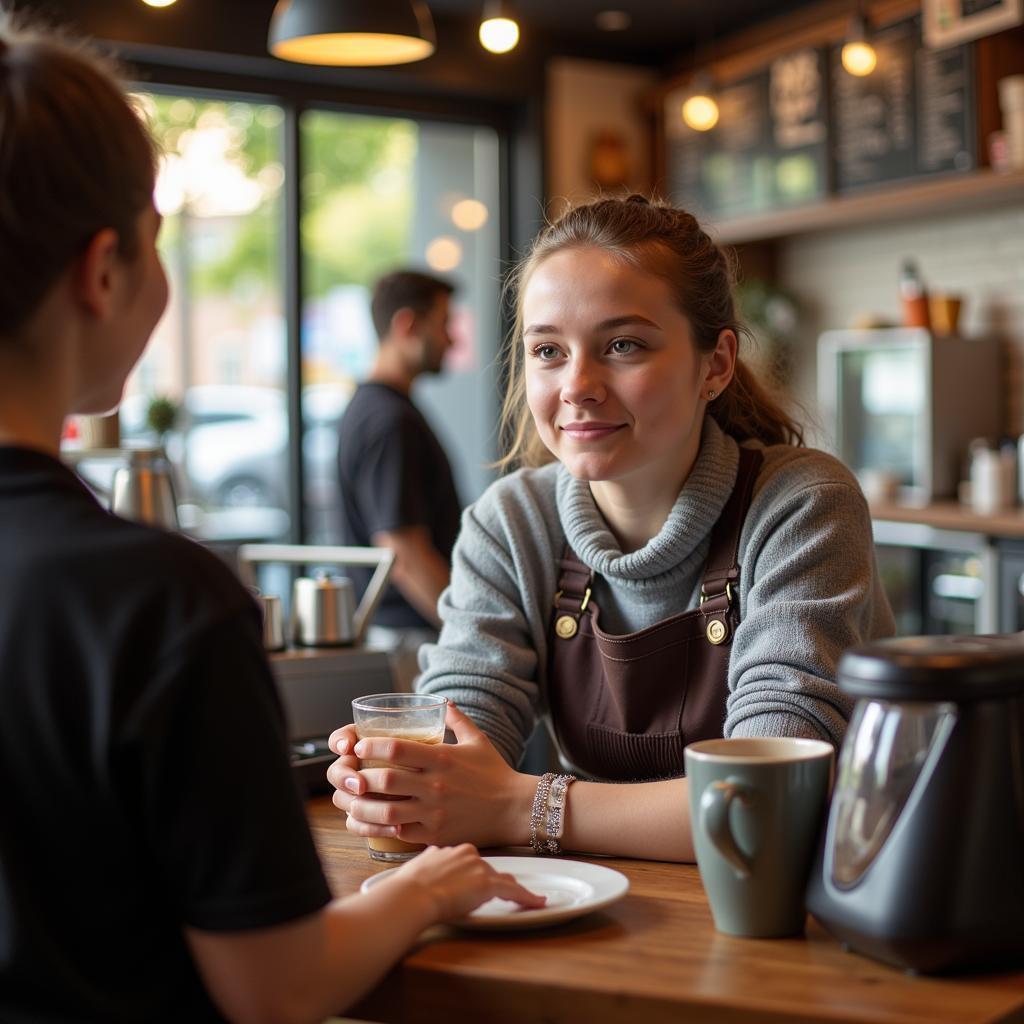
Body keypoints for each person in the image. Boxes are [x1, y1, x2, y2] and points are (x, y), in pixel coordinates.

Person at [0, 18, 542, 1024]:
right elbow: (277, 989)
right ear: (104, 268)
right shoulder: (156, 603)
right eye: (160, 239)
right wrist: (422, 888)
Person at [328, 194, 895, 863]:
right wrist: (402, 787)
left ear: (714, 365)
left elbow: (766, 802)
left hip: (795, 925)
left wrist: (519, 805)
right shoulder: (510, 523)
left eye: (622, 345)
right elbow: (457, 748)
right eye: (548, 350)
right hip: (609, 917)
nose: (577, 385)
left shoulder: (799, 503)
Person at [336, 270, 462, 687]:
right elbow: (403, 552)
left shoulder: (374, 409)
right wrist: (468, 632)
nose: (452, 340)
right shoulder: (389, 421)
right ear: (407, 325)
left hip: (405, 634)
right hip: (410, 640)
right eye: (444, 324)